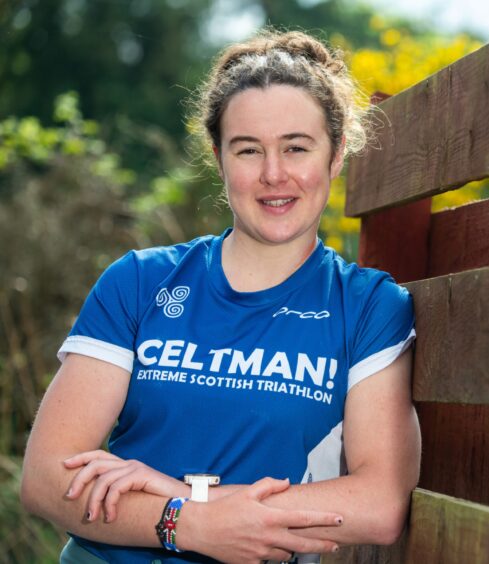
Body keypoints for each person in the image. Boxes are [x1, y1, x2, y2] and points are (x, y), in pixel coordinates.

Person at [20, 28, 420, 563]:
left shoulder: (369, 306)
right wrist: (183, 525)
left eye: (296, 148)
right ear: (219, 156)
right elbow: (47, 477)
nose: (274, 175)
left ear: (337, 153)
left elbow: (378, 504)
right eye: (248, 150)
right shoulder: (139, 282)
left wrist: (187, 498)